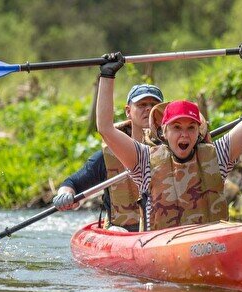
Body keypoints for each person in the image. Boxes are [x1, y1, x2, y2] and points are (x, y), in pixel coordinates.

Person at [96, 42, 242, 231]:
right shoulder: (144, 162)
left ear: (198, 131)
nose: (185, 134)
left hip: (211, 243)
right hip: (161, 249)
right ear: (163, 132)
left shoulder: (218, 157)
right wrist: (107, 76)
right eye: (177, 127)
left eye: (191, 127)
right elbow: (105, 128)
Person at [52, 83, 164, 232]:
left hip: (164, 231)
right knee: (118, 231)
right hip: (122, 232)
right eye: (142, 104)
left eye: (154, 105)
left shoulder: (174, 148)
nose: (149, 109)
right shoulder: (109, 155)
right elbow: (72, 183)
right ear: (128, 111)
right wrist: (65, 194)